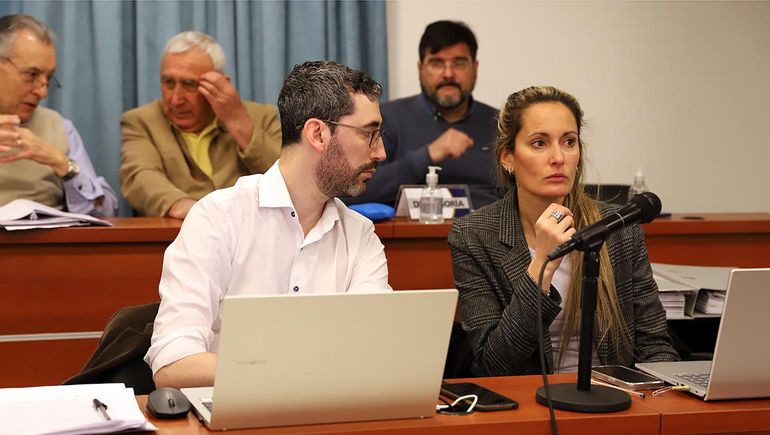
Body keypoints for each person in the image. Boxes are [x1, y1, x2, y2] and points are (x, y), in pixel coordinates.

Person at [145, 61, 391, 388]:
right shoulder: (218, 218)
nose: (381, 152)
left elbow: (373, 351)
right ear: (318, 133)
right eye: (368, 133)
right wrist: (288, 370)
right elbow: (172, 363)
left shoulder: (360, 235)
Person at [448, 86, 678, 376]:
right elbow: (494, 365)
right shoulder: (474, 235)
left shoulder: (618, 228)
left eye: (569, 142)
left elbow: (655, 345)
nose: (558, 157)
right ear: (507, 157)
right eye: (539, 143)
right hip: (530, 405)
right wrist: (541, 265)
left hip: (613, 401)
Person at [120, 31, 281, 219]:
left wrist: (237, 121)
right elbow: (140, 176)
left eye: (189, 84)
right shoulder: (141, 121)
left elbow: (289, 179)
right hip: (175, 238)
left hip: (252, 237)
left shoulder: (261, 117)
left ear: (220, 84)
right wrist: (194, 211)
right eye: (168, 82)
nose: (175, 99)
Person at [344, 20, 500, 209]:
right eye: (436, 63)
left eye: (459, 63)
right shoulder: (385, 119)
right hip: (407, 237)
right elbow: (352, 192)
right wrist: (427, 155)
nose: (448, 74)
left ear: (475, 68)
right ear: (420, 69)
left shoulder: (500, 125)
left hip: (487, 234)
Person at [0, 14, 117, 216]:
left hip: (50, 244)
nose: (43, 92)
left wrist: (63, 165)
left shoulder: (60, 127)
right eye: (32, 75)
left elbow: (106, 213)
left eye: (48, 78)